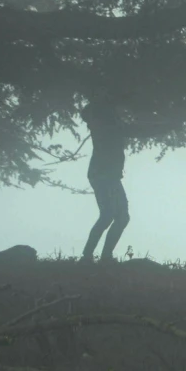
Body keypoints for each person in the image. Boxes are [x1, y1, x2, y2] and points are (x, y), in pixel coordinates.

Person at [80, 101, 129, 263]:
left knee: (118, 216)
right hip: (104, 175)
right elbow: (134, 129)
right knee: (111, 215)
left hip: (106, 175)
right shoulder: (107, 127)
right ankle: (92, 256)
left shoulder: (106, 125)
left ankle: (98, 256)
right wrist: (165, 126)